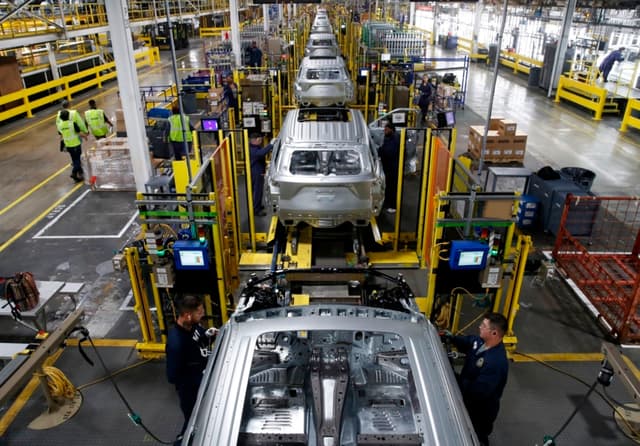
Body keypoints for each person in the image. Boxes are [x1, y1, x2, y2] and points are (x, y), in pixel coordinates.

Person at [449, 312, 509, 446]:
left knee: (474, 436)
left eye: (484, 326)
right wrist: (451, 338)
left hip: (480, 411)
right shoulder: (482, 341)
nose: (479, 327)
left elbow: (477, 392)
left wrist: (454, 379)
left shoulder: (495, 363)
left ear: (494, 333)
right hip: (467, 399)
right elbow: (470, 342)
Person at [166, 295, 217, 445]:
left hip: (201, 381)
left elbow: (199, 338)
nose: (202, 315)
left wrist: (208, 335)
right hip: (190, 391)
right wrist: (197, 376)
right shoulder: (177, 343)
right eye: (199, 312)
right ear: (188, 315)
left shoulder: (193, 325)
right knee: (193, 421)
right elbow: (172, 376)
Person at [56, 108, 88, 183]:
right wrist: (85, 136)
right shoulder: (72, 123)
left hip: (68, 145)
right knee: (78, 160)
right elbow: (78, 132)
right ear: (68, 116)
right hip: (76, 144)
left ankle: (79, 173)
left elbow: (61, 135)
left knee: (74, 159)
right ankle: (74, 173)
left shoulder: (60, 125)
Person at [378, 123, 400, 214]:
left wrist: (379, 151)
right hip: (388, 166)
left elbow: (389, 152)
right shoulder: (389, 137)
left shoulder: (394, 139)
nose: (384, 131)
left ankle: (393, 206)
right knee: (388, 186)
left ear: (392, 129)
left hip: (393, 167)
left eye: (386, 130)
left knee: (392, 187)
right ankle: (387, 203)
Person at [249, 133, 273, 216]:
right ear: (256, 140)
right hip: (256, 172)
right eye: (260, 140)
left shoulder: (255, 146)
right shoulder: (252, 149)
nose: (261, 142)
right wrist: (270, 145)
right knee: (257, 191)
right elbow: (260, 153)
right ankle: (256, 210)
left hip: (258, 170)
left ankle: (257, 205)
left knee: (257, 191)